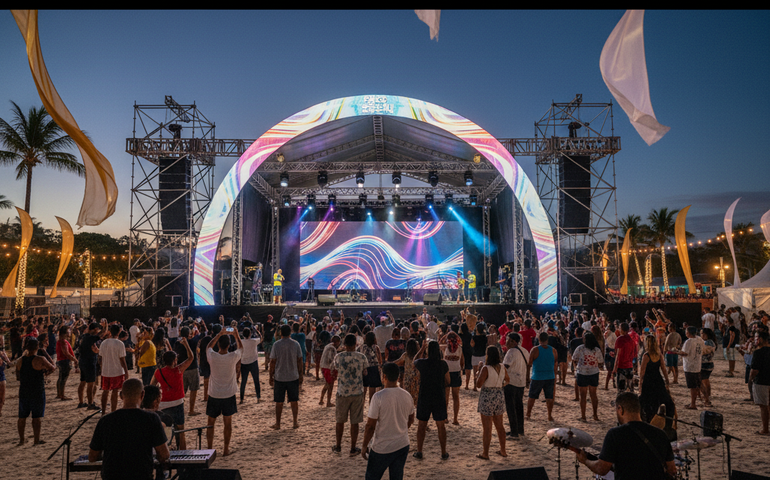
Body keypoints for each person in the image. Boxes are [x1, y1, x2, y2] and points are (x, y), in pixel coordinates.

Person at [577, 392, 676, 480]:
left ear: (620, 409)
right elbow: (672, 470)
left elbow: (602, 469)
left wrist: (585, 460)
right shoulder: (660, 434)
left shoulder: (615, 434)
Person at [89, 379, 170, 480]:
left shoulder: (105, 420)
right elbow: (164, 454)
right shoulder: (151, 419)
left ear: (121, 395)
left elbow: (92, 457)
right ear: (142, 394)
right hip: (141, 475)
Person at [361, 362, 415, 480]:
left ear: (384, 377)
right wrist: (401, 429)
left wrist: (364, 445)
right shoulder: (407, 395)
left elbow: (370, 425)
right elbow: (411, 418)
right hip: (402, 443)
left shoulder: (378, 397)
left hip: (382, 447)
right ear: (398, 377)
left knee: (372, 477)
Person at [151, 337, 194, 450]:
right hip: (178, 402)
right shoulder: (179, 370)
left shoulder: (158, 372)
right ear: (174, 360)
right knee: (181, 431)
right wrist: (186, 344)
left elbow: (151, 387)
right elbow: (191, 357)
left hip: (164, 404)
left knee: (165, 430)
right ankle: (182, 454)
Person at [206, 327, 243, 456]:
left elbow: (208, 346)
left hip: (214, 394)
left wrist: (219, 334)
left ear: (219, 345)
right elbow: (241, 349)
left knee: (210, 423)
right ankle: (226, 449)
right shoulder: (232, 356)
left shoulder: (212, 356)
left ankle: (210, 448)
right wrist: (236, 335)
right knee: (227, 423)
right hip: (228, 394)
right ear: (228, 345)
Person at [332, 334, 368, 456]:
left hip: (342, 392)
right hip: (357, 392)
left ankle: (338, 445)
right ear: (355, 344)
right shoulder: (362, 357)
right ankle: (353, 447)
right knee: (355, 421)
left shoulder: (339, 357)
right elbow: (365, 372)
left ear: (344, 345)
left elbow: (334, 369)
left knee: (340, 420)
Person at [412, 341, 450, 460]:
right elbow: (448, 381)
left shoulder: (422, 363)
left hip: (425, 396)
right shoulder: (443, 364)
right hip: (438, 396)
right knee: (440, 425)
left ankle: (419, 451)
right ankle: (443, 452)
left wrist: (421, 349)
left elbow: (414, 361)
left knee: (422, 425)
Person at [16, 337, 55, 445]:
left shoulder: (20, 360)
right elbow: (52, 367)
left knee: (22, 417)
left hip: (24, 390)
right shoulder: (40, 359)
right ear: (37, 347)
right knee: (36, 417)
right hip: (37, 390)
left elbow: (18, 376)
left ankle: (21, 440)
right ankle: (36, 439)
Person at [475, 345, 510, 460]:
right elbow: (508, 380)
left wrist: (478, 371)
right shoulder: (502, 367)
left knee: (487, 428)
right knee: (500, 425)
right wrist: (500, 386)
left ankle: (485, 453)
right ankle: (503, 450)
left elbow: (478, 384)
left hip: (487, 396)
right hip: (499, 395)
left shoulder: (486, 368)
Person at [269, 323, 304, 430]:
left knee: (279, 402)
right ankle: (295, 422)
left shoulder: (276, 345)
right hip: (293, 375)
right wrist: (301, 375)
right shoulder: (296, 344)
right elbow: (299, 361)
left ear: (280, 333)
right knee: (294, 401)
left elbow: (273, 362)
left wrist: (271, 375)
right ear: (290, 332)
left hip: (279, 376)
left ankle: (278, 423)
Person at [638, 334, 674, 424]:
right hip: (658, 379)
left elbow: (642, 372)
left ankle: (648, 420)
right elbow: (663, 369)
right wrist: (666, 380)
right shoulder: (659, 355)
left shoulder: (646, 356)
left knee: (647, 402)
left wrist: (640, 383)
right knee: (663, 400)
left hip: (648, 380)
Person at [572, 332, 603, 422]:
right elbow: (601, 361)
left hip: (582, 373)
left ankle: (583, 416)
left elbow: (574, 358)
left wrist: (577, 367)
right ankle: (595, 415)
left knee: (583, 396)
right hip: (594, 373)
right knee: (593, 395)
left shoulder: (580, 348)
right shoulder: (596, 350)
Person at [526, 332, 557, 422]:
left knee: (532, 396)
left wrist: (527, 377)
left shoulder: (535, 350)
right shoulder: (553, 350)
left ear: (539, 340)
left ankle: (528, 414)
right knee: (549, 397)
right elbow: (555, 364)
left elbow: (529, 364)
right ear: (547, 339)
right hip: (550, 376)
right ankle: (549, 415)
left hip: (537, 376)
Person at [502, 332, 528, 438]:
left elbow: (505, 367)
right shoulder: (524, 350)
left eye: (508, 340)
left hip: (511, 382)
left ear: (513, 341)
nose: (506, 342)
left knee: (510, 407)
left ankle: (514, 432)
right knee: (519, 406)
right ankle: (520, 429)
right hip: (521, 381)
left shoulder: (511, 351)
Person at [98, 324, 129, 413]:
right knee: (115, 392)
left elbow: (100, 357)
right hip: (117, 371)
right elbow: (122, 360)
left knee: (105, 391)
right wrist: (126, 371)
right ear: (119, 332)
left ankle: (103, 411)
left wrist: (102, 367)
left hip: (106, 371)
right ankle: (113, 411)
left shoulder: (104, 343)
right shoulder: (120, 344)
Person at [676, 326, 705, 410]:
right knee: (698, 384)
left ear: (688, 333)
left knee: (692, 386)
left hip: (690, 365)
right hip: (697, 364)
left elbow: (685, 353)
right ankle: (706, 399)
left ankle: (693, 404)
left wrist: (677, 352)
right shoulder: (699, 339)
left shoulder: (689, 341)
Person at [77, 322, 102, 410]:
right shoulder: (91, 338)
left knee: (82, 382)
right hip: (89, 362)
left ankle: (81, 402)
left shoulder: (83, 337)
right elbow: (102, 334)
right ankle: (90, 404)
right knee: (90, 384)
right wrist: (105, 325)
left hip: (82, 361)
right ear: (95, 329)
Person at [749, 331, 770, 435]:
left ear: (761, 339)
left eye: (756, 337)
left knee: (763, 406)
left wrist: (750, 379)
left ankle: (765, 429)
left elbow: (754, 371)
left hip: (761, 381)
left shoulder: (758, 353)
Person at [442, 331, 464, 425]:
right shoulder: (459, 348)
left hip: (446, 372)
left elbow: (440, 341)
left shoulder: (444, 348)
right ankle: (455, 419)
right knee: (456, 397)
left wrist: (444, 336)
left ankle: (445, 418)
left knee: (446, 397)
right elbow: (462, 361)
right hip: (456, 373)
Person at [240, 327, 262, 404]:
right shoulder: (253, 341)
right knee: (256, 380)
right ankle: (258, 397)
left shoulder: (241, 342)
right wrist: (258, 331)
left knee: (243, 381)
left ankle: (241, 399)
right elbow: (261, 338)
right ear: (250, 334)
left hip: (244, 363)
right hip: (253, 362)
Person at [55, 325, 77, 401]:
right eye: (68, 331)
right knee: (63, 379)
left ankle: (59, 393)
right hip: (64, 361)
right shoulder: (63, 342)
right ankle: (62, 395)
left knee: (60, 378)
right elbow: (66, 353)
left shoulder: (60, 341)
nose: (70, 332)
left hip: (60, 361)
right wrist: (74, 359)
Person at [613, 322, 636, 393]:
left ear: (622, 330)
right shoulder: (631, 340)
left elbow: (618, 354)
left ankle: (620, 403)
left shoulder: (620, 339)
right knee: (630, 389)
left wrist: (614, 368)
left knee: (621, 389)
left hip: (621, 366)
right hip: (629, 365)